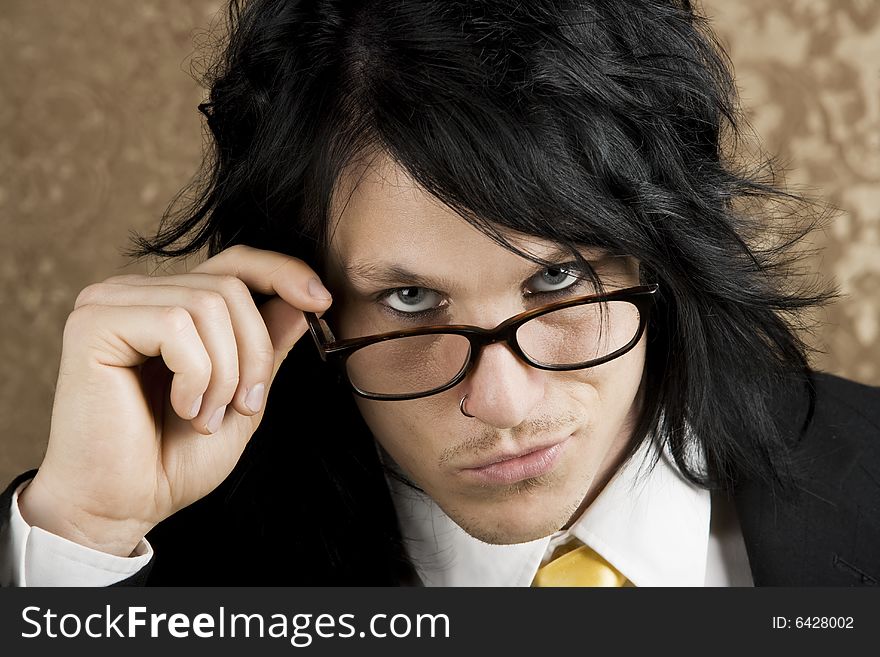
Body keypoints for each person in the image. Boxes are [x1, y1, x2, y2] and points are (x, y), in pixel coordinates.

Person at [1, 0, 878, 587]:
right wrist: (82, 534)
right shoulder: (156, 567)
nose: (500, 402)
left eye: (557, 278)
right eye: (412, 299)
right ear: (302, 306)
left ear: (662, 250)